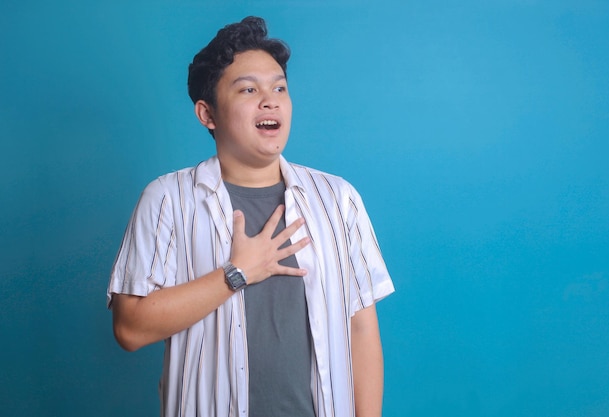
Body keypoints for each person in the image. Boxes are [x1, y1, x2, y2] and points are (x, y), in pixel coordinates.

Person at [107, 16, 394, 417]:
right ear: (207, 114)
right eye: (248, 89)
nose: (270, 100)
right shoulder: (168, 199)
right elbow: (130, 328)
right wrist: (235, 273)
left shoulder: (337, 198)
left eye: (279, 87)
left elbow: (361, 329)